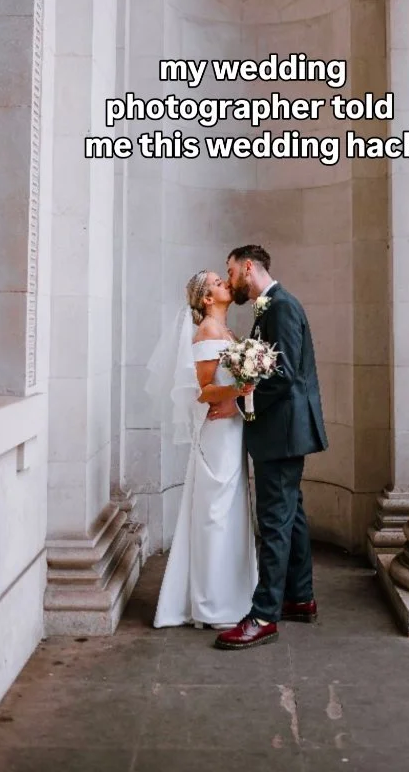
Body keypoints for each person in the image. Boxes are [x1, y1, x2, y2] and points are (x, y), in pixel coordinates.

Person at [208, 245, 328, 650]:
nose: (230, 280)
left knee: (275, 521)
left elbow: (285, 373)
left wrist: (239, 402)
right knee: (291, 516)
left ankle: (263, 616)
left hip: (283, 432)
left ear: (248, 268)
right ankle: (300, 597)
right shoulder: (269, 308)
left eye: (230, 272)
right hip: (282, 431)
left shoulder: (282, 306)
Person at [149, 270, 258, 630]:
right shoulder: (208, 332)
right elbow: (204, 391)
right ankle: (212, 605)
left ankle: (234, 596)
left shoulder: (226, 332)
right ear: (207, 299)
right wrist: (241, 389)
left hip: (232, 430)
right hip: (216, 434)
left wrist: (241, 394)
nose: (224, 282)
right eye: (216, 282)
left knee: (231, 510)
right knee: (215, 512)